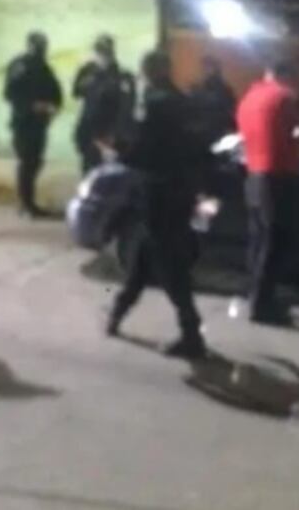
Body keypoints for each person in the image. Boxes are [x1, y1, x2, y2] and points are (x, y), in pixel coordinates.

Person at [106, 51, 209, 358]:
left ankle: (192, 334)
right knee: (145, 254)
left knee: (167, 263)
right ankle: (118, 312)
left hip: (158, 192)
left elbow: (144, 150)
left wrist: (119, 152)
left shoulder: (154, 103)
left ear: (147, 72)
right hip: (180, 192)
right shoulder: (184, 102)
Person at [236, 60, 299, 326]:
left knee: (258, 240)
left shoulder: (249, 98)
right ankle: (263, 304)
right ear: (285, 74)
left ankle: (254, 295)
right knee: (275, 243)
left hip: (253, 174)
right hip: (279, 175)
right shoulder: (286, 97)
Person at [4, 31, 62, 218]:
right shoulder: (19, 65)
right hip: (23, 123)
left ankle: (28, 202)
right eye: (39, 46)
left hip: (39, 124)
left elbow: (55, 91)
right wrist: (32, 106)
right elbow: (10, 93)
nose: (42, 50)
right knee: (27, 163)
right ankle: (26, 204)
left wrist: (53, 107)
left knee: (35, 162)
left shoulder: (44, 67)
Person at [72, 35, 135, 174]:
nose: (102, 56)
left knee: (108, 173)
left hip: (109, 132)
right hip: (89, 129)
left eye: (105, 52)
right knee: (88, 171)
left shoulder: (122, 76)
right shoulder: (87, 71)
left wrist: (115, 133)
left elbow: (126, 108)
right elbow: (77, 93)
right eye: (99, 51)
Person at [189, 56, 236, 146]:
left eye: (209, 67)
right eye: (205, 68)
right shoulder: (203, 88)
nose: (206, 71)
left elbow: (229, 109)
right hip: (212, 130)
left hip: (216, 130)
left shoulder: (221, 88)